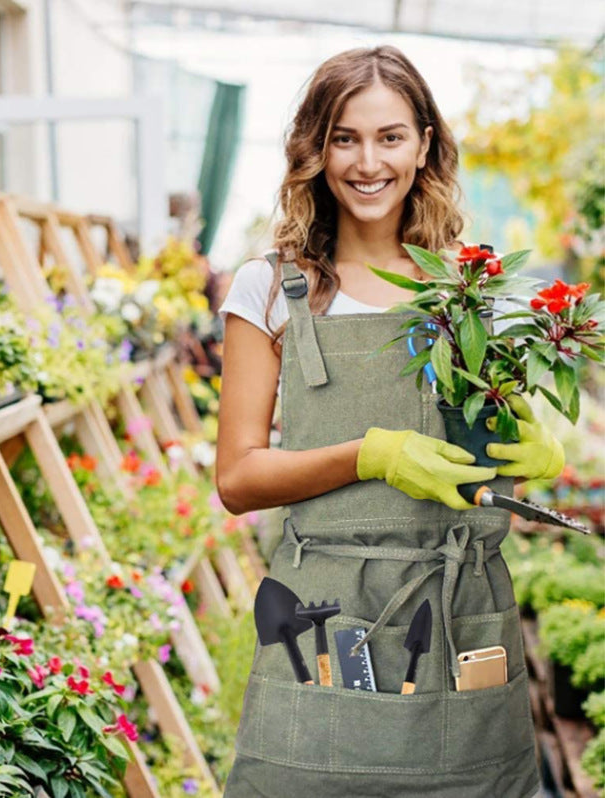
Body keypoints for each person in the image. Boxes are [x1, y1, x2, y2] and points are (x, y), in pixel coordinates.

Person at [215, 45, 558, 798]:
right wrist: (370, 455)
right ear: (315, 147)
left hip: (458, 609)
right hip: (321, 611)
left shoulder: (474, 290)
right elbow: (238, 479)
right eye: (345, 137)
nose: (367, 163)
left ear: (425, 144)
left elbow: (498, 438)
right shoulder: (273, 289)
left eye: (390, 136)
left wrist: (539, 453)